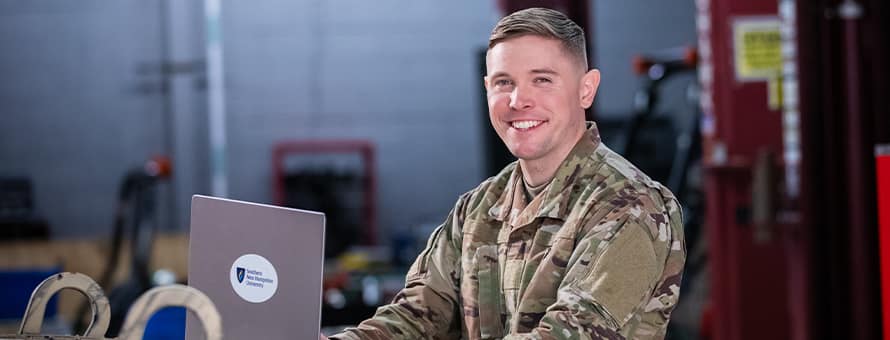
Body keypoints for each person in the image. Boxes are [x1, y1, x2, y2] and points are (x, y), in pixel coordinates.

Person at [325, 7, 685, 340]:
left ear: (585, 89)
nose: (518, 100)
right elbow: (417, 315)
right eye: (503, 82)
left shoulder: (629, 207)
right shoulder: (478, 209)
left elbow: (569, 333)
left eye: (542, 80)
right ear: (487, 90)